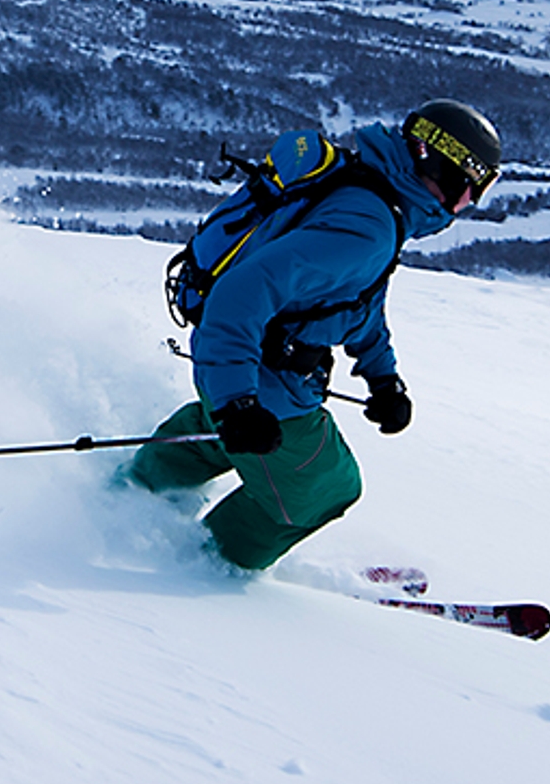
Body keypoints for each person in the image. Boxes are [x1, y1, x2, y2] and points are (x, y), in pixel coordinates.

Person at [126, 100, 502, 570]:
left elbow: (355, 302)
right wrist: (239, 402)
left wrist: (383, 379)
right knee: (325, 488)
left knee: (220, 429)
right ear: (441, 170)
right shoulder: (368, 228)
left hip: (237, 363)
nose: (464, 207)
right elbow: (241, 295)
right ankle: (201, 567)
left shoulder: (368, 188)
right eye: (469, 193)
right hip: (256, 374)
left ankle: (130, 494)